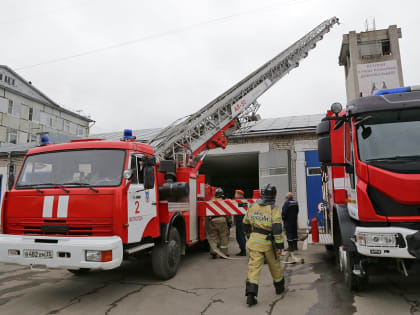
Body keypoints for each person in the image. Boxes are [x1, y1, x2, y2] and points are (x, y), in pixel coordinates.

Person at [243, 184, 284, 306]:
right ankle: (279, 288)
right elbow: (277, 229)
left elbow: (245, 223)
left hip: (254, 242)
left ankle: (251, 295)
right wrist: (280, 246)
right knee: (275, 266)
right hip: (269, 244)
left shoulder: (252, 206)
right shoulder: (273, 209)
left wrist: (249, 236)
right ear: (274, 195)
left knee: (253, 268)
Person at [208, 187, 232, 258]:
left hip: (213, 220)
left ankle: (213, 252)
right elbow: (227, 213)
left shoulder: (211, 200)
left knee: (213, 237)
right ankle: (223, 253)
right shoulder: (223, 201)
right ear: (222, 194)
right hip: (222, 220)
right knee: (223, 236)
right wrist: (229, 221)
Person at [282, 192, 302, 264]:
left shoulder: (287, 203)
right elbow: (297, 210)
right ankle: (295, 246)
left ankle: (290, 247)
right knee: (294, 233)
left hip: (288, 220)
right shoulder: (295, 202)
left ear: (287, 197)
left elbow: (284, 212)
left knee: (289, 233)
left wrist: (283, 218)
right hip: (294, 220)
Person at [234, 189, 247, 256]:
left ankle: (243, 250)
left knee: (240, 236)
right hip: (241, 221)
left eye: (235, 194)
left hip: (240, 221)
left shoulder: (241, 201)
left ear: (239, 194)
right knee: (240, 235)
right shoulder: (241, 201)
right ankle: (242, 249)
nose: (234, 195)